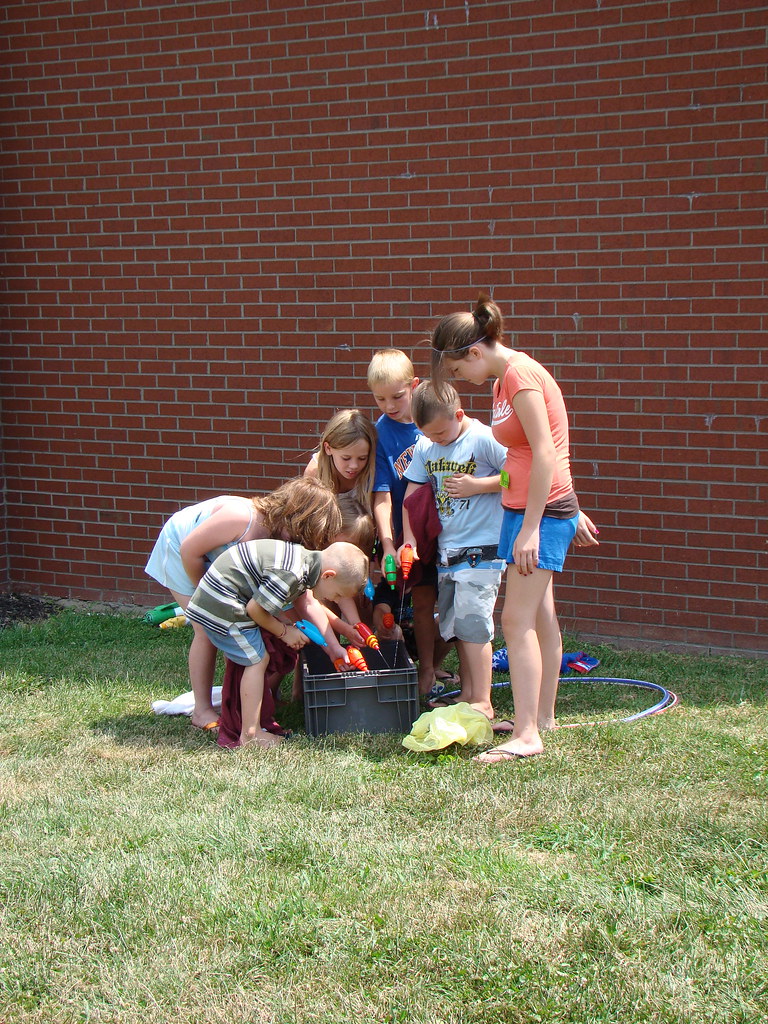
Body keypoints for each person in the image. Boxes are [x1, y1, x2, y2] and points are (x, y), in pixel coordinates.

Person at [429, 294, 597, 763]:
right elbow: (529, 456)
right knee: (540, 615)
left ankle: (526, 735)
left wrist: (536, 526)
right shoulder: (504, 379)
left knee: (515, 621)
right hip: (523, 508)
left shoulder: (520, 376)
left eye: (459, 370)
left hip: (536, 516)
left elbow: (546, 452)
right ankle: (541, 718)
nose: (461, 379)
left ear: (475, 352)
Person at [144, 477, 343, 730]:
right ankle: (201, 710)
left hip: (220, 566)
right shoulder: (242, 518)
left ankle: (258, 702)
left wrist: (334, 648)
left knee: (249, 631)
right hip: (182, 553)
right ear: (293, 517)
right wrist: (205, 595)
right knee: (204, 629)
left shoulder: (282, 541)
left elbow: (306, 602)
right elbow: (189, 550)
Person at [186, 539, 369, 748]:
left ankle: (252, 726)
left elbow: (309, 604)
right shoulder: (291, 573)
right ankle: (251, 734)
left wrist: (334, 648)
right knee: (257, 660)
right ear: (328, 576)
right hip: (221, 603)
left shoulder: (305, 563)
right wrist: (284, 632)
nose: (334, 599)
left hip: (228, 598)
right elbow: (255, 610)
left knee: (258, 656)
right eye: (337, 595)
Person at [401, 381, 507, 720]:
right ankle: (468, 692)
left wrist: (479, 485)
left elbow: (518, 474)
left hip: (482, 549)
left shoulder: (483, 439)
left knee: (474, 624)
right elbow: (412, 496)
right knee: (458, 626)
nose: (436, 441)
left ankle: (484, 702)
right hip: (448, 552)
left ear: (458, 414)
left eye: (441, 434)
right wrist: (410, 539)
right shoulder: (426, 447)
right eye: (429, 435)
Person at [367, 349, 455, 695]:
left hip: (449, 527)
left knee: (452, 604)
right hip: (407, 536)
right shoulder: (381, 434)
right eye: (380, 398)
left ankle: (437, 663)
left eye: (397, 396)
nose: (389, 405)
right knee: (419, 601)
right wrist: (389, 541)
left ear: (414, 386)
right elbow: (383, 494)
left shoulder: (432, 417)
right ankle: (426, 671)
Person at [305, 408, 377, 514]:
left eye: (362, 458)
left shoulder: (372, 471)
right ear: (328, 448)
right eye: (346, 458)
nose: (354, 465)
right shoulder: (315, 471)